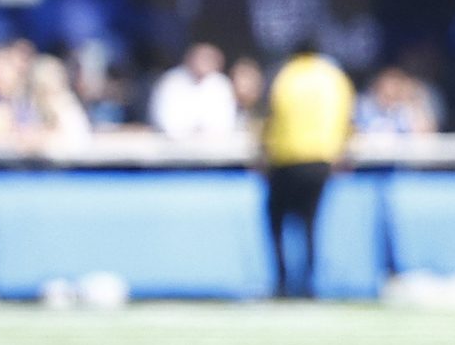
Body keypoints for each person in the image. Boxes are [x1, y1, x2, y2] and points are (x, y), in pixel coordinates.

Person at [261, 38, 354, 300]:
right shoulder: (333, 77)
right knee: (310, 222)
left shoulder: (285, 75)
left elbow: (271, 114)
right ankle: (310, 285)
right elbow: (346, 117)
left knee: (276, 220)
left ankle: (281, 282)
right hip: (321, 158)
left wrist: (264, 151)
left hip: (286, 157)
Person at [149, 42, 241, 143]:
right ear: (190, 59)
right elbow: (164, 120)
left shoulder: (221, 84)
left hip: (213, 147)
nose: (205, 63)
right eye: (202, 59)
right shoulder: (171, 81)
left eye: (210, 60)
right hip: (173, 146)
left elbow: (225, 121)